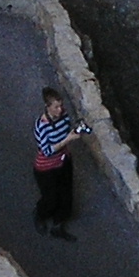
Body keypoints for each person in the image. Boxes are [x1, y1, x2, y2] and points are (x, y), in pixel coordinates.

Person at [31, 87, 89, 240]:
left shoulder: (64, 116)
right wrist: (67, 140)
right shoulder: (41, 126)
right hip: (47, 167)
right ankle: (40, 214)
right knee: (50, 197)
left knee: (66, 195)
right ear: (47, 107)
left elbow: (66, 129)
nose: (60, 109)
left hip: (63, 161)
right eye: (56, 107)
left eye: (61, 105)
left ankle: (58, 224)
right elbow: (47, 150)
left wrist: (75, 131)